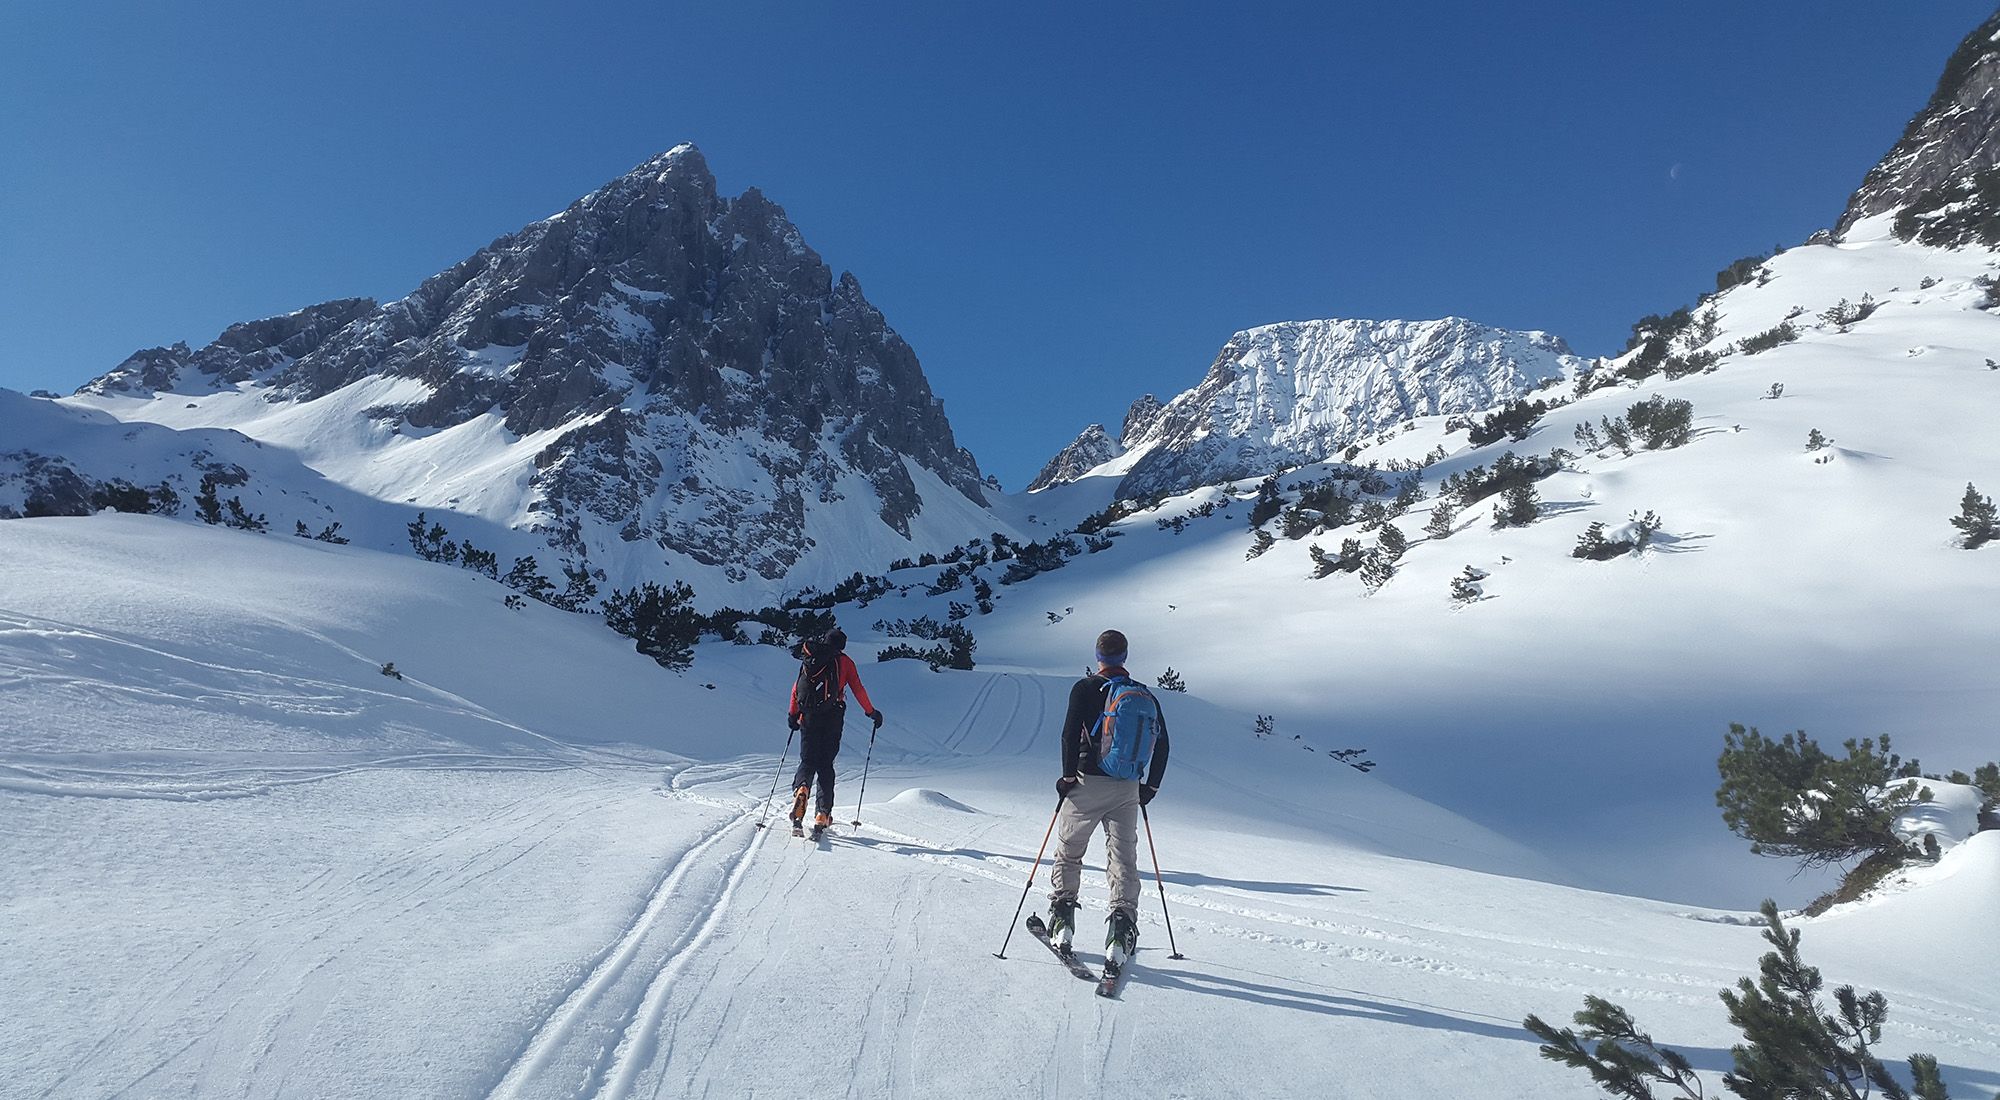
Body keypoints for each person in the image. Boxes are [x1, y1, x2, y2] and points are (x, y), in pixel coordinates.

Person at [1045, 629, 1169, 963]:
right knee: (1123, 860)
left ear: (1098, 656)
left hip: (1087, 784)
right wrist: (1150, 788)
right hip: (1127, 787)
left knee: (1069, 853)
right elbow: (1163, 745)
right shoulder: (1143, 695)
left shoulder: (1085, 688)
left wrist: (1068, 776)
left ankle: (1062, 920)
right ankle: (1121, 930)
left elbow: (1070, 734)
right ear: (1124, 656)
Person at [787, 627, 882, 832]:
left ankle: (802, 788)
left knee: (807, 760)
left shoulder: (810, 658)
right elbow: (858, 688)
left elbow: (797, 688)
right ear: (842, 645)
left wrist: (793, 714)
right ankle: (823, 813)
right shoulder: (845, 662)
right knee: (825, 764)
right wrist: (871, 712)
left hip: (808, 716)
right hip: (833, 715)